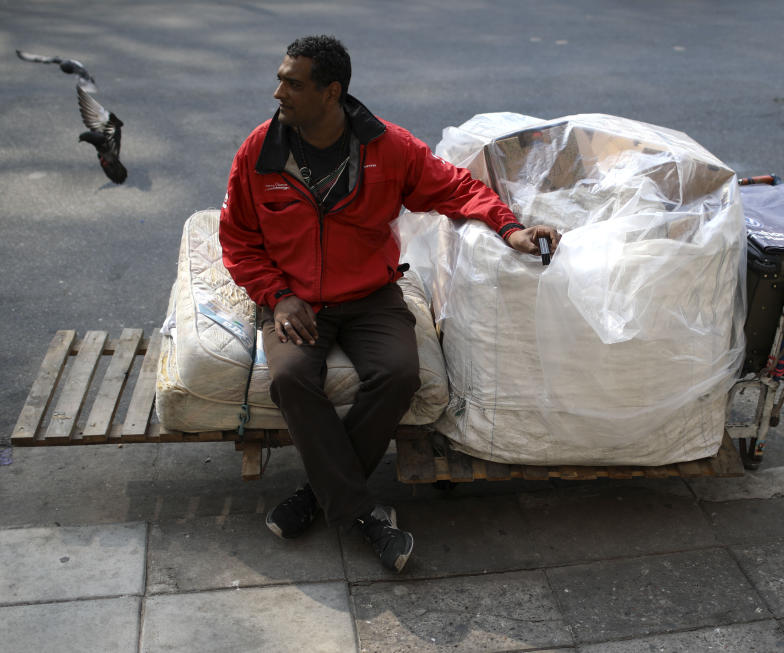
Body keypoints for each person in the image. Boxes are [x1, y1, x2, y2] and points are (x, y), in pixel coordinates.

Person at [219, 35, 560, 573]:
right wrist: (278, 297)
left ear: (331, 93)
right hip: (294, 300)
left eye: (292, 82)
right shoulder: (259, 151)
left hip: (371, 296)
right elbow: (238, 240)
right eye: (280, 78)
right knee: (289, 380)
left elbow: (457, 189)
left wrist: (511, 229)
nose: (277, 91)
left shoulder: (389, 149)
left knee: (401, 374)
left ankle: (318, 494)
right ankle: (363, 516)